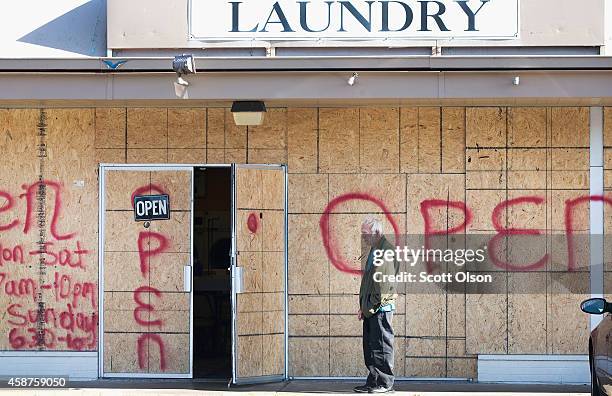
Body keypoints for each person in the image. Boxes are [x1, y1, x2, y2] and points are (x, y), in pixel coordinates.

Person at [354, 217, 398, 394]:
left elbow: (382, 286)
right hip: (372, 308)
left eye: (366, 233)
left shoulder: (385, 251)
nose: (363, 237)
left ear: (377, 233)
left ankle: (385, 383)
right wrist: (364, 308)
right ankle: (373, 381)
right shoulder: (375, 249)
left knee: (381, 346)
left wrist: (369, 307)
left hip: (380, 308)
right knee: (371, 347)